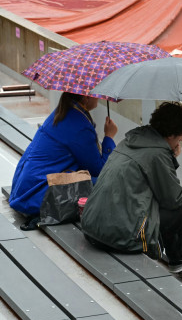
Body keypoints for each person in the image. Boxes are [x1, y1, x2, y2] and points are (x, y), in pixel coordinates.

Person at [80, 102, 182, 299]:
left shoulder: (134, 140)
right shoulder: (157, 153)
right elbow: (174, 199)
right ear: (171, 135)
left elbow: (160, 186)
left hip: (93, 227)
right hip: (119, 236)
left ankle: (178, 257)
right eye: (181, 136)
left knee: (161, 203)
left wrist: (170, 156)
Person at [9, 92, 117, 230]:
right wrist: (109, 137)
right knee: (107, 184)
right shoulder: (79, 125)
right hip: (38, 196)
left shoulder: (63, 112)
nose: (100, 97)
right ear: (86, 97)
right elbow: (100, 170)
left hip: (24, 190)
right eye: (97, 94)